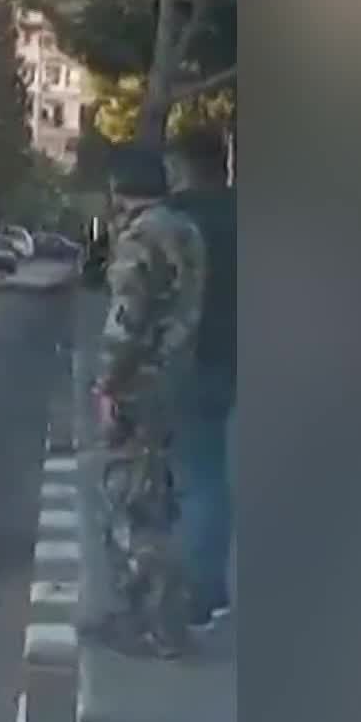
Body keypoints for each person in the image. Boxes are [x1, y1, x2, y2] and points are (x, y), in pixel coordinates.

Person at [83, 143, 208, 658]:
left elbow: (127, 322)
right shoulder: (187, 231)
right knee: (158, 496)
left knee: (131, 502)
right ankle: (162, 617)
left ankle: (153, 625)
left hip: (140, 384)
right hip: (178, 378)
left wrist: (107, 385)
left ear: (119, 189)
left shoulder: (140, 238)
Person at [164, 127, 236, 632]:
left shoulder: (174, 219)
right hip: (230, 355)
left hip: (180, 358)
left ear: (180, 165)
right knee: (205, 470)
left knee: (189, 476)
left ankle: (188, 595)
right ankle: (205, 588)